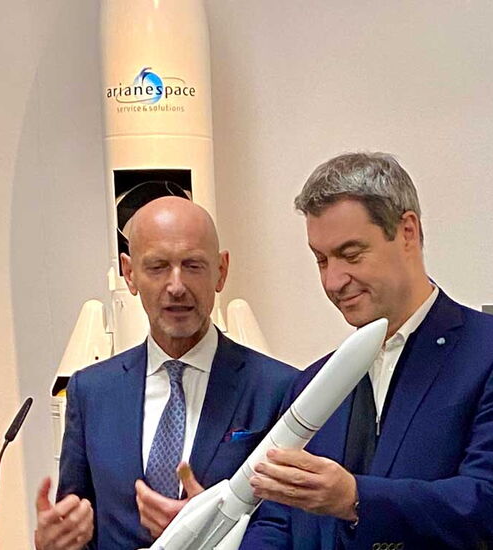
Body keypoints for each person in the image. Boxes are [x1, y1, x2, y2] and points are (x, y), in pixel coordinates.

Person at [240, 152, 493, 549]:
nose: (334, 280)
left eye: (351, 255)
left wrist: (354, 497)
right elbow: (278, 520)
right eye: (321, 260)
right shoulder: (310, 385)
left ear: (407, 231)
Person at [35, 197, 298, 550]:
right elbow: (77, 527)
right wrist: (54, 544)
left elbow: (295, 529)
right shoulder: (91, 391)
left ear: (221, 271)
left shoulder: (279, 389)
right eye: (157, 267)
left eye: (193, 265)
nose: (176, 286)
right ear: (129, 273)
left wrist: (210, 531)